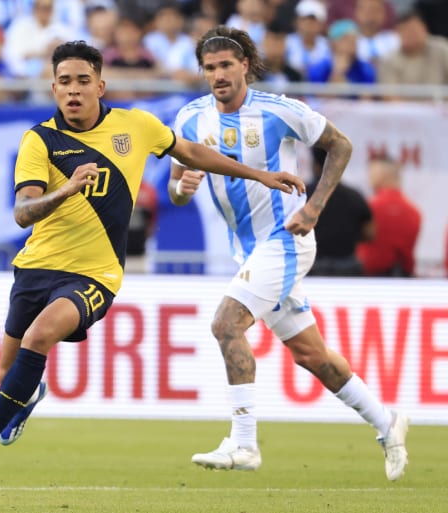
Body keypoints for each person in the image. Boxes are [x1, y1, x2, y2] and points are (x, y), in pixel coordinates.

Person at [0, 40, 306, 477]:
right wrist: (68, 189)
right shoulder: (39, 140)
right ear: (53, 89)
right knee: (9, 374)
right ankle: (29, 392)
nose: (72, 91)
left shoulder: (136, 127)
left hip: (95, 275)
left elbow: (191, 152)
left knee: (39, 337)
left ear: (100, 85)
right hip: (35, 268)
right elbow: (23, 213)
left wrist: (261, 174)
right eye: (63, 83)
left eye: (82, 81)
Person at [169, 26, 409, 481]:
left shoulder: (278, 110)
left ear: (245, 66)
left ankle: (244, 444)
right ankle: (387, 421)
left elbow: (340, 144)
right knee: (310, 354)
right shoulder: (190, 118)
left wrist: (314, 208)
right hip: (248, 251)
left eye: (225, 65)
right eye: (210, 67)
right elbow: (177, 186)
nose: (218, 75)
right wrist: (181, 188)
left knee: (225, 324)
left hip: (285, 241)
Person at [306, 147, 374, 276]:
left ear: (314, 164)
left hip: (312, 267)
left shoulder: (302, 195)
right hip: (348, 268)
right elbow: (370, 234)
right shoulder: (354, 196)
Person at [356, 156, 421, 277]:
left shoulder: (369, 207)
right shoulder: (414, 212)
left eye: (371, 173)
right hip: (403, 277)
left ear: (381, 175)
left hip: (368, 277)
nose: (368, 178)